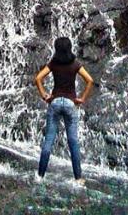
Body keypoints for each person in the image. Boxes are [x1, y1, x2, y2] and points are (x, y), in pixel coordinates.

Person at [35, 36, 94, 184]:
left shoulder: (53, 63)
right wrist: (82, 98)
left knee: (48, 141)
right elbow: (90, 80)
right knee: (73, 141)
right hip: (70, 103)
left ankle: (40, 176)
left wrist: (44, 95)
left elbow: (38, 79)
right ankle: (78, 178)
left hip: (54, 102)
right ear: (69, 48)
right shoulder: (75, 64)